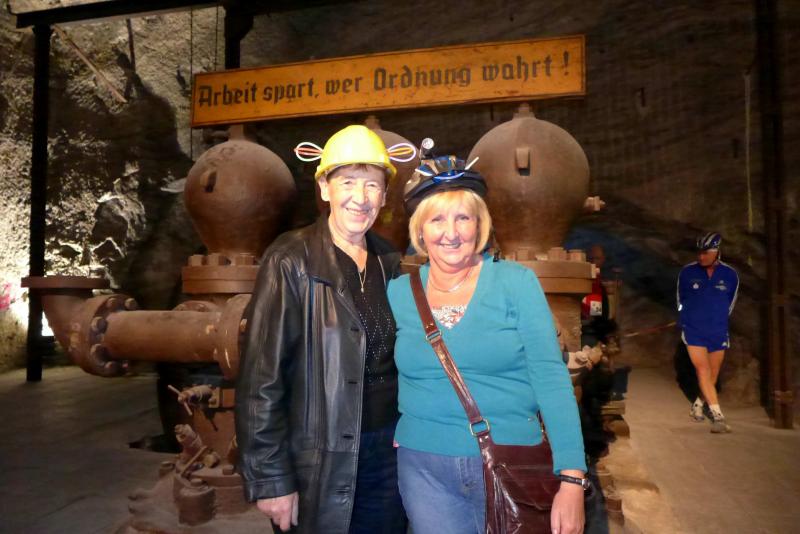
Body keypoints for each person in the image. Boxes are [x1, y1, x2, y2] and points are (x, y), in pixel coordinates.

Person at [387, 153, 588, 534]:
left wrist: (571, 477)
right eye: (437, 219)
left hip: (512, 462)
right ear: (420, 230)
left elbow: (550, 379)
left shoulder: (516, 283)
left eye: (463, 217)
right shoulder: (399, 293)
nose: (451, 233)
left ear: (480, 224)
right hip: (424, 469)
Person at [235, 125, 410, 533]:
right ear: (324, 188)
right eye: (347, 182)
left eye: (372, 185)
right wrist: (271, 478)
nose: (360, 197)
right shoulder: (290, 259)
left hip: (388, 450)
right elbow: (261, 378)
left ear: (384, 196)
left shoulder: (388, 260)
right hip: (319, 456)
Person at [677, 232, 739, 433]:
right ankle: (718, 415)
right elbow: (680, 300)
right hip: (694, 329)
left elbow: (731, 303)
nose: (701, 257)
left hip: (718, 330)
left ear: (717, 252)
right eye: (699, 253)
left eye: (706, 253)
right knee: (702, 370)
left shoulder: (730, 275)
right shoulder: (687, 272)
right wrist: (686, 320)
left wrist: (718, 320)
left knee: (713, 373)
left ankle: (698, 404)